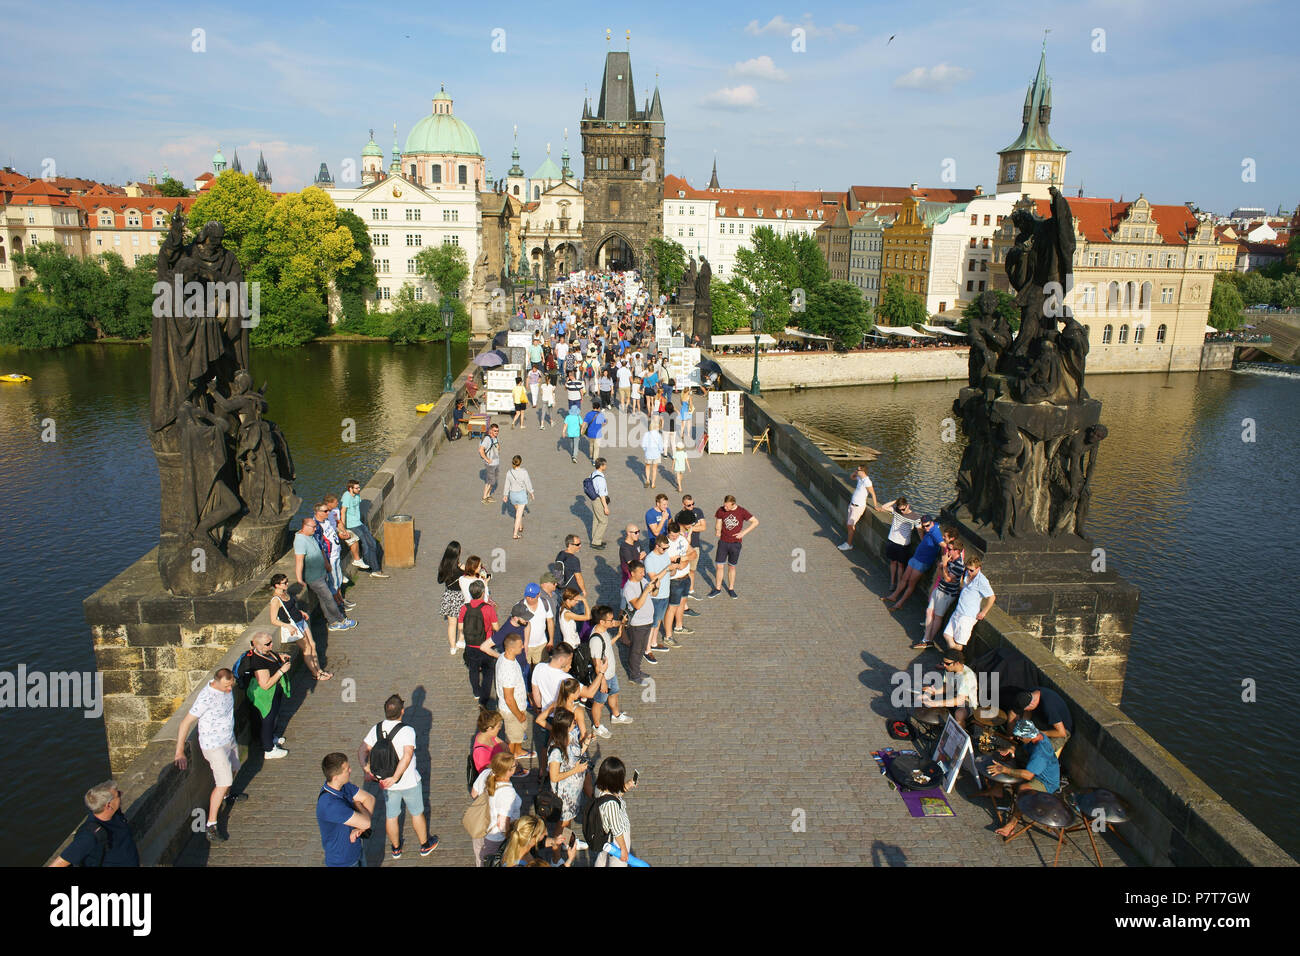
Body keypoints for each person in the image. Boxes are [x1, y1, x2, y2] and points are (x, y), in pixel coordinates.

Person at [359, 694, 439, 858]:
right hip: (408, 781)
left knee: (391, 815)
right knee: (416, 813)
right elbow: (407, 756)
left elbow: (362, 750)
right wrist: (396, 777)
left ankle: (396, 848)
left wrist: (367, 770)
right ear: (401, 711)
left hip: (386, 783)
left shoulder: (376, 729)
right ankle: (424, 845)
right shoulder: (407, 731)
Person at [173, 667, 245, 843]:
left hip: (228, 738)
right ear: (217, 681)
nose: (230, 690)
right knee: (224, 781)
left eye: (231, 686)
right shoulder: (206, 697)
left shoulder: (226, 686)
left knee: (236, 767)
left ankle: (227, 796)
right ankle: (211, 825)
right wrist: (179, 751)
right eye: (227, 686)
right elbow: (185, 723)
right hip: (214, 745)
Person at [985, 721, 1062, 838]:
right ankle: (997, 789)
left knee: (1023, 789)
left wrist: (1005, 770)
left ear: (1027, 736)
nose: (1018, 739)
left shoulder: (1040, 752)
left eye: (1020, 737)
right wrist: (1011, 749)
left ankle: (1011, 825)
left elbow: (1028, 775)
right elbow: (1019, 745)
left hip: (1046, 783)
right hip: (1034, 769)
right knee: (1007, 758)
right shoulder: (1035, 736)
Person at [50, 780, 140, 867]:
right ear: (108, 805)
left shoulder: (115, 813)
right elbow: (58, 864)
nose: (122, 793)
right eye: (118, 794)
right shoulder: (89, 836)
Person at [294, 516, 355, 631]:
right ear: (305, 527)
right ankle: (342, 619)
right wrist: (299, 579)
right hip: (314, 577)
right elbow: (299, 561)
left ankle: (332, 623)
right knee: (329, 598)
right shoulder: (300, 541)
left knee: (323, 599)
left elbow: (320, 550)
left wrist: (326, 564)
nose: (315, 528)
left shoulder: (310, 535)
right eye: (313, 527)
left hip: (322, 573)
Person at [316, 752, 376, 868]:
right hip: (343, 861)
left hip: (356, 851)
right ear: (336, 777)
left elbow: (370, 799)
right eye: (347, 769)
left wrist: (360, 829)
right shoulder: (330, 804)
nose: (351, 770)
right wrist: (358, 804)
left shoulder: (344, 786)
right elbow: (367, 822)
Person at [267, 573, 331, 680]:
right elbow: (273, 620)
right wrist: (287, 626)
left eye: (287, 581)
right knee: (307, 648)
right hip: (294, 626)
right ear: (277, 585)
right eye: (284, 583)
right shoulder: (275, 600)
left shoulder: (285, 593)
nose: (287, 584)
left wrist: (300, 612)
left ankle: (319, 669)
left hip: (301, 621)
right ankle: (315, 674)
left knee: (312, 645)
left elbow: (291, 608)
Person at [545, 709, 591, 848]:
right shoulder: (556, 750)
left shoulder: (570, 737)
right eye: (573, 722)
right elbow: (554, 777)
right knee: (562, 824)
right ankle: (556, 856)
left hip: (573, 793)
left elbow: (575, 756)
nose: (575, 723)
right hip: (564, 796)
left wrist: (586, 744)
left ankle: (568, 841)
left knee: (568, 821)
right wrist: (575, 770)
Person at [245, 629, 292, 759]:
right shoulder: (258, 662)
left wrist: (279, 656)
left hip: (274, 692)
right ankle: (269, 749)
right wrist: (282, 671)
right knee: (268, 720)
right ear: (258, 645)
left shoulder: (266, 652)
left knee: (273, 717)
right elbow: (265, 685)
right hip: (266, 695)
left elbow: (271, 656)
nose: (271, 645)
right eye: (268, 644)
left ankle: (270, 738)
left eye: (271, 642)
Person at [470, 751, 522, 865]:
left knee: (480, 861)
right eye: (515, 765)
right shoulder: (508, 792)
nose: (517, 765)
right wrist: (511, 836)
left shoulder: (486, 773)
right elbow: (502, 824)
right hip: (494, 837)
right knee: (492, 863)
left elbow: (474, 794)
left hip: (479, 828)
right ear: (508, 771)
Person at [587, 604, 632, 734]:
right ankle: (596, 726)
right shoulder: (595, 639)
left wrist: (618, 635)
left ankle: (616, 715)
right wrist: (602, 682)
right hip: (603, 677)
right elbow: (597, 664)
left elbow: (606, 646)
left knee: (614, 694)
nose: (612, 622)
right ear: (602, 621)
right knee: (599, 702)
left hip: (611, 674)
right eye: (610, 620)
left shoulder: (603, 630)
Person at [918, 529, 964, 650]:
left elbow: (948, 578)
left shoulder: (959, 565)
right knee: (929, 611)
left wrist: (944, 565)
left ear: (957, 551)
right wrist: (941, 566)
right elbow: (940, 574)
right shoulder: (949, 560)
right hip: (939, 588)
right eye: (948, 549)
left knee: (938, 616)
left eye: (950, 549)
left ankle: (929, 640)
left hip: (947, 593)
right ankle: (926, 639)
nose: (947, 551)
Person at [886, 514, 943, 611]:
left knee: (911, 583)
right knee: (904, 578)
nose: (926, 528)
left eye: (927, 525)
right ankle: (894, 596)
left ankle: (900, 603)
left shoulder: (936, 532)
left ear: (932, 522)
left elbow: (944, 545)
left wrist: (943, 560)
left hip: (923, 561)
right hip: (916, 557)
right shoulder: (932, 527)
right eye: (923, 526)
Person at [708, 495, 758, 599]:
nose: (725, 508)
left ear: (733, 504)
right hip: (723, 542)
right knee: (719, 566)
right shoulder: (721, 510)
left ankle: (731, 589)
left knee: (732, 566)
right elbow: (718, 521)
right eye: (724, 505)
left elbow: (755, 522)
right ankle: (717, 589)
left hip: (735, 544)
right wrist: (717, 530)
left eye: (727, 506)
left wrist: (743, 533)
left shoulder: (742, 511)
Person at [943, 552, 995, 651]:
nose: (969, 572)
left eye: (971, 570)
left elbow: (992, 597)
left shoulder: (982, 581)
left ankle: (952, 661)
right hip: (959, 611)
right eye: (967, 569)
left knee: (959, 642)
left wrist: (983, 612)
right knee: (947, 634)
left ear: (978, 568)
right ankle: (953, 659)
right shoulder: (967, 574)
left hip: (968, 615)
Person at [494, 633, 534, 764]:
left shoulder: (505, 657)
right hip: (512, 712)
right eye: (520, 645)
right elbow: (509, 698)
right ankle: (510, 764)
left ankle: (519, 751)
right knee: (511, 740)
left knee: (517, 736)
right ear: (511, 649)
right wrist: (519, 715)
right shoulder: (508, 669)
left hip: (516, 707)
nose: (523, 647)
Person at [591, 756, 637, 867]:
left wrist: (627, 785)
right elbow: (617, 829)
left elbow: (615, 796)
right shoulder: (611, 805)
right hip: (616, 839)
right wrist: (624, 849)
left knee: (602, 857)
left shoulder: (598, 787)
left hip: (604, 834)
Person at [459, 580, 499, 705]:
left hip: (470, 644)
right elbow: (496, 627)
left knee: (473, 669)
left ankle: (476, 692)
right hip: (485, 645)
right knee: (488, 671)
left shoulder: (464, 608)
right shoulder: (488, 608)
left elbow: (460, 627)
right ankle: (484, 697)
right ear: (482, 593)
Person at [339, 479, 389, 579]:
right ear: (350, 488)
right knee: (367, 544)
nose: (359, 489)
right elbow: (343, 512)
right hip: (352, 525)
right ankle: (375, 569)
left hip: (359, 523)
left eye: (359, 487)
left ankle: (371, 565)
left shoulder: (357, 496)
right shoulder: (346, 497)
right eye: (357, 488)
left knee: (373, 543)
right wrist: (343, 528)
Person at [1005, 687, 1074, 755]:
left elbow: (1062, 733)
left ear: (1032, 704)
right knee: (1023, 737)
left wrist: (1037, 733)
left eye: (1027, 709)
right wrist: (1012, 735)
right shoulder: (1029, 694)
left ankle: (1021, 756)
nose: (1026, 711)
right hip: (1042, 722)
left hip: (1059, 731)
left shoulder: (1049, 707)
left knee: (1036, 751)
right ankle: (1015, 747)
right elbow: (1019, 714)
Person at [919, 649, 978, 725]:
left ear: (957, 663)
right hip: (952, 694)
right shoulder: (949, 669)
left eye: (947, 663)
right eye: (943, 662)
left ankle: (959, 733)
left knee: (959, 714)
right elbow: (948, 686)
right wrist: (934, 691)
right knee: (922, 696)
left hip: (967, 702)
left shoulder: (966, 677)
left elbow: (960, 701)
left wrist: (935, 703)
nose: (944, 665)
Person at [664, 521, 698, 643]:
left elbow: (693, 554)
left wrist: (682, 559)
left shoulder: (682, 539)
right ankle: (668, 636)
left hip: (685, 578)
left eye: (677, 535)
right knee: (672, 608)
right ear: (668, 533)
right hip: (674, 581)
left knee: (682, 604)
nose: (675, 538)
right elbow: (672, 565)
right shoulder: (665, 544)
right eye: (673, 536)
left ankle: (679, 626)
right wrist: (682, 561)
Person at [879, 497, 921, 594]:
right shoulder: (896, 511)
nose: (902, 511)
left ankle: (899, 584)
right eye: (900, 509)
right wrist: (895, 501)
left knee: (901, 565)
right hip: (892, 540)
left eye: (903, 509)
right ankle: (892, 582)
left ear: (908, 505)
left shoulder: (915, 517)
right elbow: (884, 507)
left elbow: (920, 531)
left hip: (903, 545)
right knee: (893, 562)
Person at [642, 535, 674, 659]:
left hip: (665, 593)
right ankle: (647, 649)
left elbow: (669, 572)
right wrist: (667, 569)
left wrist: (673, 569)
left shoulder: (665, 554)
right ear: (657, 546)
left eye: (667, 548)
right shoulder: (649, 559)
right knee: (652, 623)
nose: (665, 551)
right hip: (655, 596)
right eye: (663, 549)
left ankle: (654, 643)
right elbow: (653, 578)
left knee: (659, 620)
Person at [839, 463, 880, 551]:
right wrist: (855, 472)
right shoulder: (860, 478)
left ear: (863, 471)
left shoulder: (867, 481)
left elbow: (873, 493)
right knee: (850, 525)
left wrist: (875, 505)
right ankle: (848, 542)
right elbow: (851, 477)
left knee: (850, 524)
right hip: (852, 505)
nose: (857, 471)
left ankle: (848, 544)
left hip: (858, 507)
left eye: (858, 470)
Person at [438, 540, 466, 655]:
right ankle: (461, 639)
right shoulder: (462, 567)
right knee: (462, 621)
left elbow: (440, 580)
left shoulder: (444, 566)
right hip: (461, 596)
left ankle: (452, 647)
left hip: (449, 596)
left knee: (451, 624)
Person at [503, 454, 536, 539]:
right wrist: (531, 493)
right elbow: (528, 483)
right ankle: (515, 534)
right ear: (520, 462)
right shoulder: (524, 472)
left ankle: (520, 526)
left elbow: (507, 484)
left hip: (513, 495)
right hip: (521, 495)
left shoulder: (509, 472)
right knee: (518, 515)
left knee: (518, 512)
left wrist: (505, 495)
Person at [680, 495, 706, 598]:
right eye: (689, 505)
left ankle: (691, 590)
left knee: (692, 570)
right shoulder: (679, 515)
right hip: (684, 547)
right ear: (683, 504)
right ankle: (682, 591)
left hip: (695, 546)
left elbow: (703, 527)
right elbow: (680, 529)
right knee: (682, 569)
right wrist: (694, 526)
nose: (692, 506)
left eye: (693, 504)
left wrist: (689, 527)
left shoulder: (698, 511)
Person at [471, 707, 508, 777]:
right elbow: (488, 772)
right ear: (489, 728)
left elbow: (501, 743)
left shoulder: (486, 734)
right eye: (499, 726)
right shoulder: (481, 752)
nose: (500, 728)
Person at [618, 524, 646, 611]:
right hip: (629, 579)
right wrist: (639, 557)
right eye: (635, 532)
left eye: (638, 532)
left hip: (639, 578)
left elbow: (644, 554)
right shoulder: (624, 547)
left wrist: (640, 557)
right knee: (625, 606)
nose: (638, 534)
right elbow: (632, 564)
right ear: (628, 533)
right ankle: (621, 623)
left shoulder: (637, 542)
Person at [553, 534, 588, 601]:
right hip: (573, 592)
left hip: (561, 589)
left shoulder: (560, 553)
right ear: (570, 545)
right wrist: (583, 590)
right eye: (577, 544)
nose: (580, 546)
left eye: (580, 543)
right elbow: (579, 577)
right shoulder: (574, 560)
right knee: (578, 611)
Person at [587, 458, 610, 549]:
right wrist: (605, 507)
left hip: (594, 499)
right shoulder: (600, 478)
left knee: (596, 519)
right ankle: (596, 542)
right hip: (599, 500)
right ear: (601, 466)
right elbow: (601, 493)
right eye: (605, 464)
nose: (606, 466)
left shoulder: (593, 474)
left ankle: (595, 539)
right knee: (604, 521)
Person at [479, 422, 502, 504]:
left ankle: (488, 496)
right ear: (491, 431)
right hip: (490, 464)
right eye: (495, 431)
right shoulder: (487, 439)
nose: (496, 432)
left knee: (493, 481)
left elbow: (497, 447)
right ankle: (484, 497)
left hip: (496, 462)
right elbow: (481, 450)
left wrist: (498, 448)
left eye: (497, 431)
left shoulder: (496, 438)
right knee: (490, 481)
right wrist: (487, 459)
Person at [641, 417, 665, 488]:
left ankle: (648, 479)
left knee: (647, 467)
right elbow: (661, 446)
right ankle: (653, 483)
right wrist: (661, 451)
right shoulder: (658, 435)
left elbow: (643, 445)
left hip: (648, 453)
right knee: (654, 469)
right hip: (656, 454)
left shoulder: (646, 434)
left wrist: (646, 450)